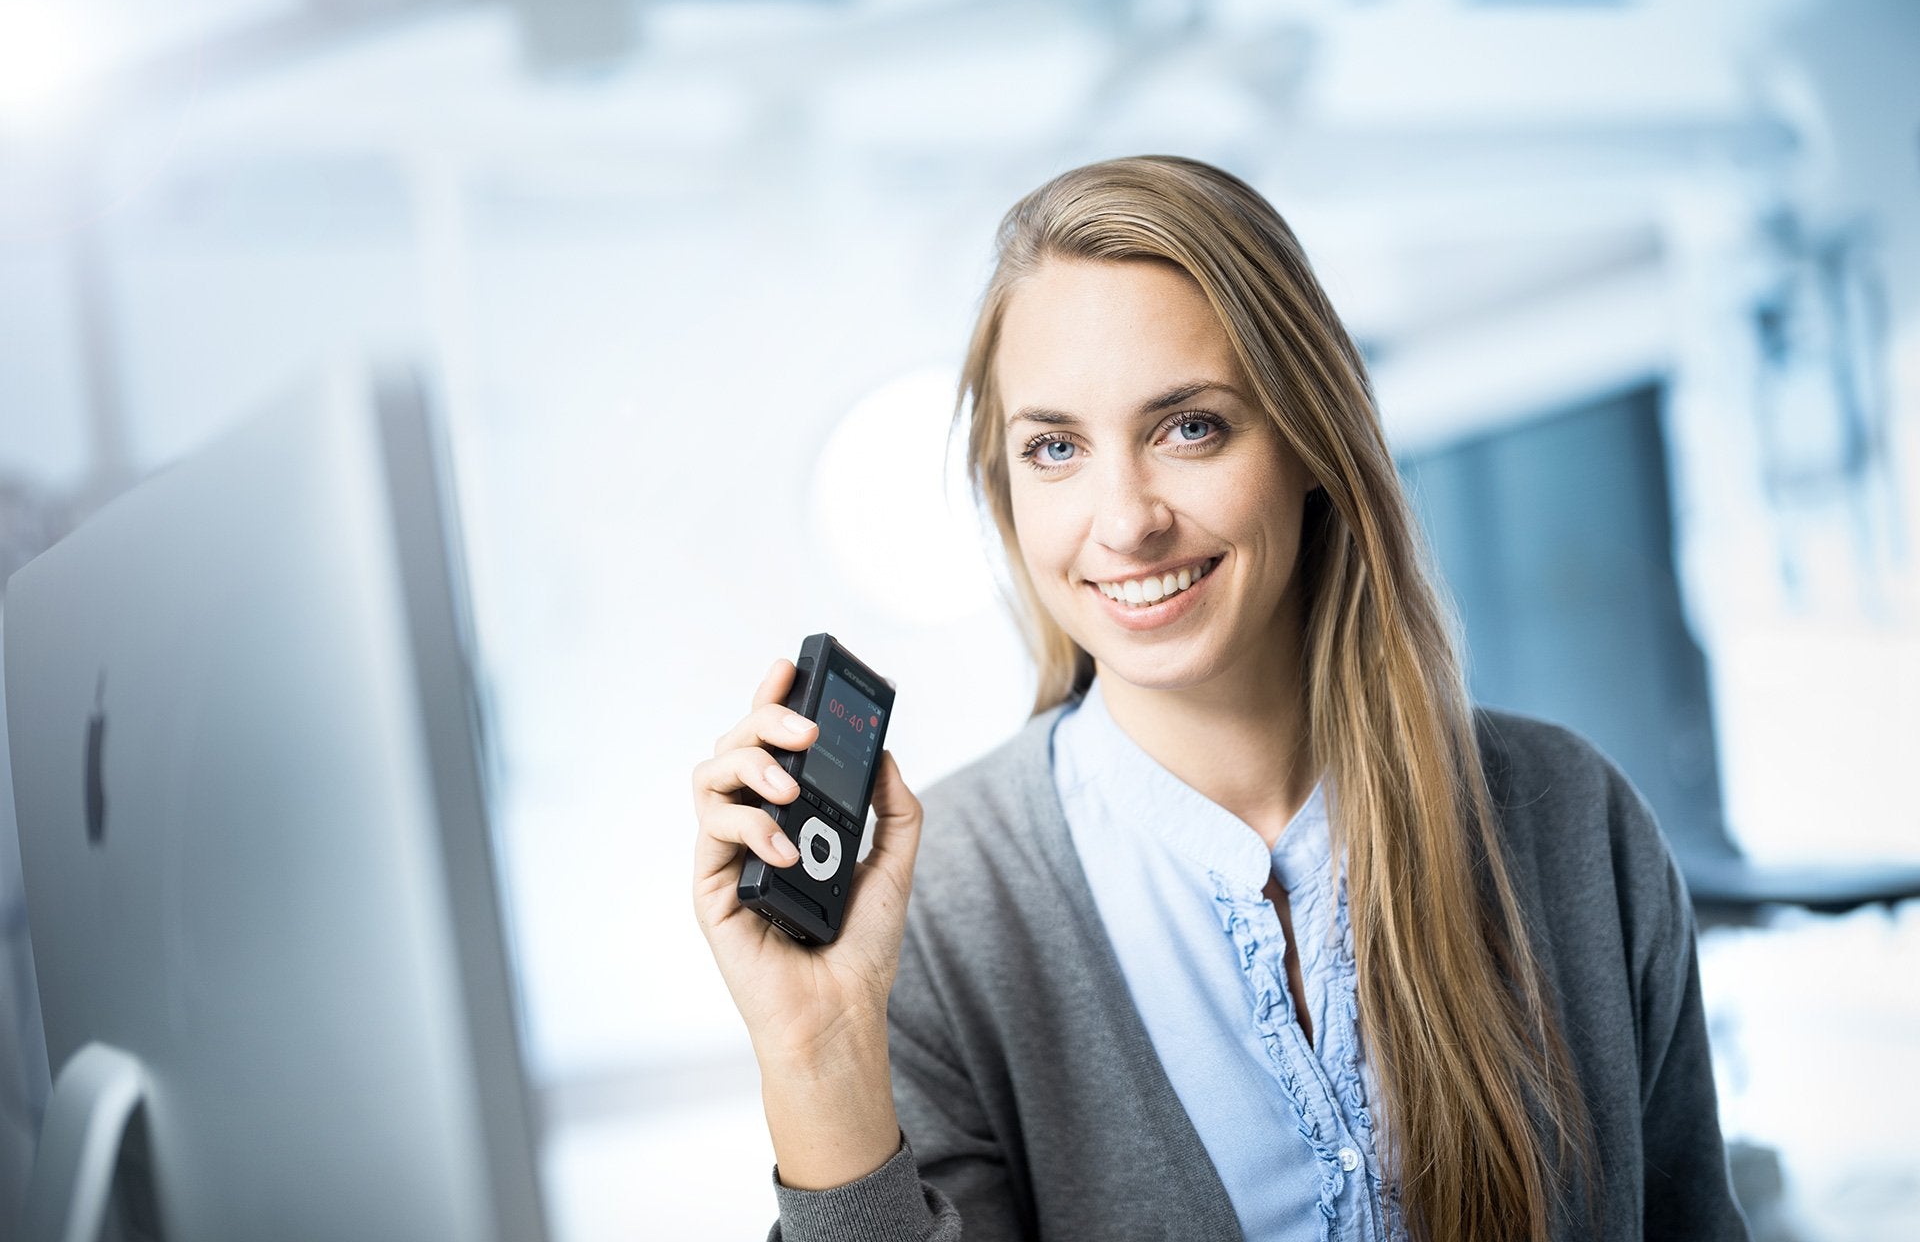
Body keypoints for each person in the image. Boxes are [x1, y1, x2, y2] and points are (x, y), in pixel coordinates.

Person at [690, 155, 1750, 1242]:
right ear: (1006, 491)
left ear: (1310, 441)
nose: (1126, 520)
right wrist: (817, 1058)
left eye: (1188, 426)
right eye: (1055, 448)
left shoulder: (1569, 816)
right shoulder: (936, 902)